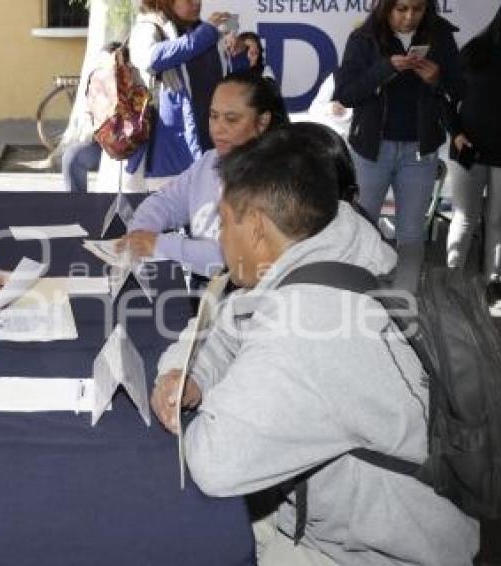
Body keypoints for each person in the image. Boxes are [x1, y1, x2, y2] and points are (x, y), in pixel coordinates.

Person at [150, 128, 478, 565]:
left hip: (370, 553)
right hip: (330, 514)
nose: (219, 239)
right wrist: (190, 375)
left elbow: (216, 460)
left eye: (224, 222)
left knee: (166, 537)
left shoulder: (307, 325)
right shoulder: (325, 246)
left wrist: (210, 397)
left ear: (258, 228)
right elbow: (220, 330)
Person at [334, 0, 462, 278]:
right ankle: (361, 297)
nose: (409, 17)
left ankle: (406, 302)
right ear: (386, 7)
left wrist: (436, 79)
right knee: (360, 227)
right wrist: (385, 68)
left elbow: (459, 89)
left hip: (420, 150)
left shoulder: (440, 36)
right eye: (401, 8)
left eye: (417, 9)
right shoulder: (363, 37)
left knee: (412, 233)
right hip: (370, 150)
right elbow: (345, 94)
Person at [119, 71, 288, 277]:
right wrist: (139, 234)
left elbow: (229, 256)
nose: (218, 129)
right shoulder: (210, 161)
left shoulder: (276, 177)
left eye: (231, 120)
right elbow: (165, 202)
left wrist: (159, 244)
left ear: (262, 122)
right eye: (213, 116)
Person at [445, 0, 501, 309]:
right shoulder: (475, 51)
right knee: (464, 217)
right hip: (468, 148)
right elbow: (446, 98)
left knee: (498, 219)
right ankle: (450, 284)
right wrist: (457, 134)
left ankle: (492, 284)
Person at [128, 0, 248, 183]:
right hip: (168, 153)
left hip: (210, 148)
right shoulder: (148, 27)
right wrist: (206, 33)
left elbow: (232, 83)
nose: (196, 3)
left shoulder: (207, 32)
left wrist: (238, 56)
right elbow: (151, 60)